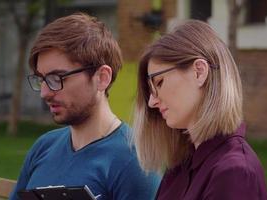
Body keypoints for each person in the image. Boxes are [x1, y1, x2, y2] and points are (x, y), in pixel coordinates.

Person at [9, 13, 159, 200]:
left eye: (58, 78)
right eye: (42, 80)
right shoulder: (44, 147)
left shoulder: (134, 161)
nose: (45, 93)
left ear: (102, 78)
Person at [133, 20, 267, 199]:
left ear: (199, 72)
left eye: (158, 82)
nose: (152, 101)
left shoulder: (235, 172)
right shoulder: (181, 167)